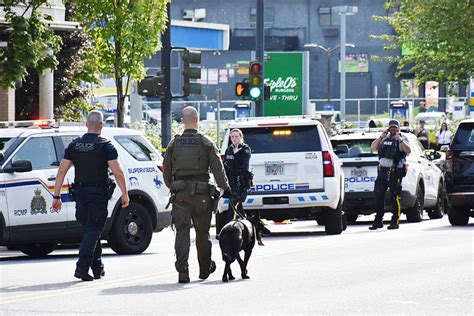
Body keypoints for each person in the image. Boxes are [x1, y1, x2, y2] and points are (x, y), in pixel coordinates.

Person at [52, 110, 129, 281]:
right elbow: (118, 172)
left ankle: (97, 268)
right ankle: (82, 267)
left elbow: (61, 171)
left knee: (90, 230)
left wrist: (56, 197)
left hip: (80, 193)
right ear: (101, 125)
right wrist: (125, 194)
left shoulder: (74, 145)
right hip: (98, 194)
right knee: (93, 230)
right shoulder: (105, 146)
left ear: (87, 125)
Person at [163, 106, 230, 283]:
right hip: (202, 197)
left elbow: (166, 171)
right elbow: (217, 167)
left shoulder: (174, 143)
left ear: (183, 121)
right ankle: (204, 270)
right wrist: (223, 187)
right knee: (203, 234)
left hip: (181, 197)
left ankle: (183, 272)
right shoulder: (206, 142)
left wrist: (174, 186)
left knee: (182, 233)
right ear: (198, 120)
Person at [369, 119, 411, 230]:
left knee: (394, 197)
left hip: (395, 172)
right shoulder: (384, 139)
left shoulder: (402, 139)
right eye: (391, 127)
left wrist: (400, 140)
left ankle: (395, 221)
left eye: (395, 127)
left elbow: (408, 151)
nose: (393, 129)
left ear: (398, 128)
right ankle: (378, 221)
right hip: (382, 172)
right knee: (378, 196)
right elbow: (373, 147)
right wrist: (381, 137)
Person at [222, 129, 252, 225]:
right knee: (237, 205)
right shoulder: (229, 149)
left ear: (241, 137)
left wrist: (236, 154)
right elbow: (225, 166)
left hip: (240, 180)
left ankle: (226, 226)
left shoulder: (245, 149)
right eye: (232, 136)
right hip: (230, 181)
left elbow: (244, 167)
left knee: (233, 203)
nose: (234, 139)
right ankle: (247, 223)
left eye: (236, 136)